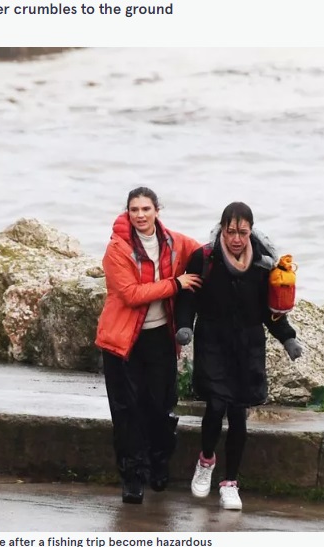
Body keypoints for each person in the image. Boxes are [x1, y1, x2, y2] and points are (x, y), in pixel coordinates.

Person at [174, 202, 303, 511]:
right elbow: (188, 297)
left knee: (238, 415)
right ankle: (206, 461)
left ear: (250, 232)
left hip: (248, 347)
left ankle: (230, 482)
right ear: (222, 228)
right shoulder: (204, 258)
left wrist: (288, 338)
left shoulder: (263, 265)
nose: (236, 239)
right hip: (213, 343)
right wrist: (183, 327)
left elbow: (269, 312)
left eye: (242, 232)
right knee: (216, 406)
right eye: (230, 231)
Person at [95, 187, 202, 504]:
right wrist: (175, 284)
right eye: (134, 209)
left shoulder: (175, 243)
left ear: (157, 210)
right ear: (127, 212)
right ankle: (132, 477)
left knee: (160, 406)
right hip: (122, 340)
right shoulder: (117, 249)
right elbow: (130, 294)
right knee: (126, 411)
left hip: (160, 338)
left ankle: (158, 465)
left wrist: (252, 257)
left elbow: (206, 257)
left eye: (145, 208)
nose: (140, 215)